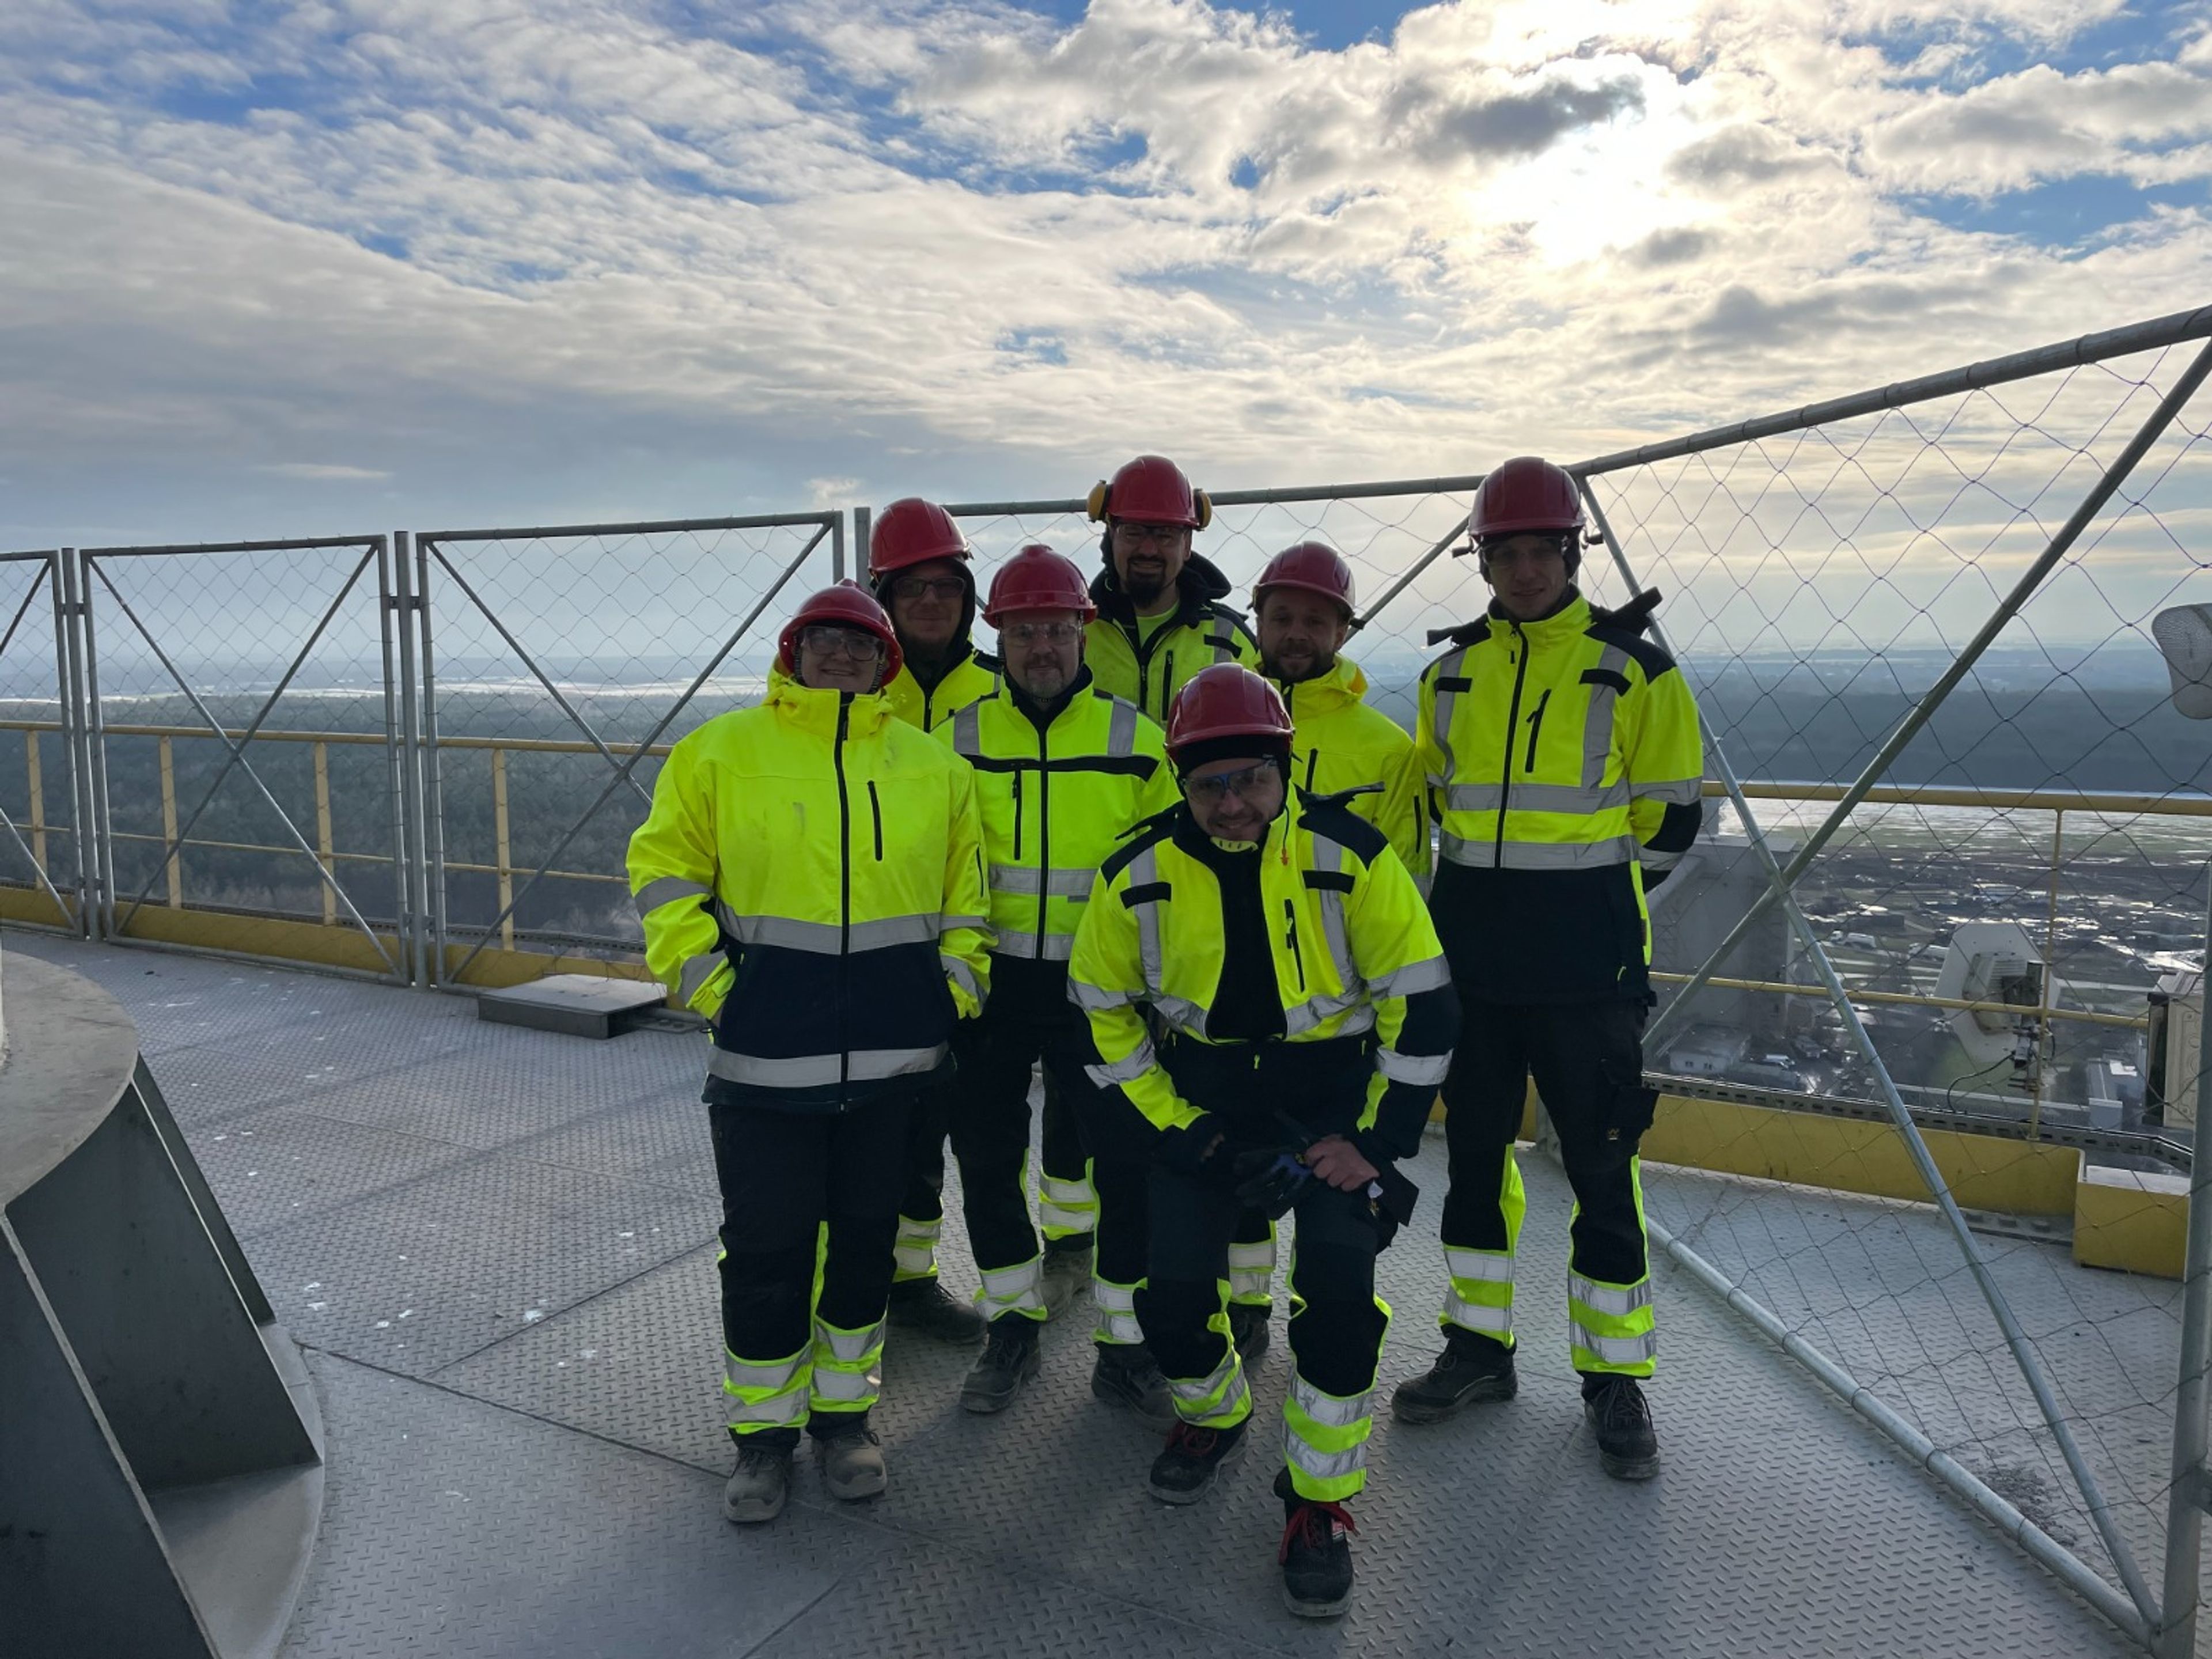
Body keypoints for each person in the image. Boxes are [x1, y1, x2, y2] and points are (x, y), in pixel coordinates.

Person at [1067, 664, 1457, 1618]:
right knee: (1169, 1306)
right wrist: (1179, 1125)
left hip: (1328, 1108)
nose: (1232, 804)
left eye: (1251, 780)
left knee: (1334, 1304)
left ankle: (1319, 1504)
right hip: (1204, 1105)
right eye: (1209, 785)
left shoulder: (1352, 857)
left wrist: (1373, 1143)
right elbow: (1099, 1015)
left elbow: (1426, 1008)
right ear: (1181, 785)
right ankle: (1218, 1414)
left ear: (1285, 773)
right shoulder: (1137, 877)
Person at [627, 581, 991, 1525]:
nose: (841, 655)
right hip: (764, 1067)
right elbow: (664, 875)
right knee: (766, 1252)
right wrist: (713, 990)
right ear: (791, 652)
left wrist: (950, 994)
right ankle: (761, 1441)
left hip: (893, 1069)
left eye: (860, 643)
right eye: (823, 639)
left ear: (887, 664)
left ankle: (844, 1421)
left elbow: (968, 904)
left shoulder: (931, 767)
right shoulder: (721, 753)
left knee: (865, 1250)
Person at [1391, 456, 1706, 1483]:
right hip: (1473, 974)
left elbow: (1673, 820)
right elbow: (1432, 815)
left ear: (1573, 552)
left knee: (1603, 1176)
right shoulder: (1449, 678)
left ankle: (1616, 1381)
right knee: (1473, 1173)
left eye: (1542, 550)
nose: (1524, 570)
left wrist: (1593, 906)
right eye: (1506, 552)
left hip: (1587, 977)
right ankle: (1480, 1350)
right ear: (1482, 558)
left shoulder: (1634, 669)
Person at [938, 544, 1181, 1419]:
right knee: (988, 1160)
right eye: (1023, 629)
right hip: (993, 991)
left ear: (1085, 631)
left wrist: (1157, 991)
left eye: (1057, 627)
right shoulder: (951, 745)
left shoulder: (1139, 744)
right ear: (997, 637)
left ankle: (1124, 1346)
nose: (1042, 645)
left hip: (1103, 994)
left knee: (1125, 1166)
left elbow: (1172, 885)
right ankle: (1011, 1328)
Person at [868, 498, 1005, 1344]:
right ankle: (879, 1281)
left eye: (944, 587)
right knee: (889, 1136)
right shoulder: (849, 686)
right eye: (911, 587)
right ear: (882, 595)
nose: (929, 602)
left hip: (977, 947)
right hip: (877, 949)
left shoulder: (998, 689)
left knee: (971, 1135)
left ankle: (914, 1282)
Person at [1252, 541, 1427, 878]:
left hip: (1341, 930)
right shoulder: (1221, 727)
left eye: (1315, 622)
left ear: (1340, 634)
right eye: (1282, 618)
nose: (1296, 634)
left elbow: (1404, 881)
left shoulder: (1389, 751)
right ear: (1260, 625)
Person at [1081, 454, 1259, 724]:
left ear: (1187, 544)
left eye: (1166, 534)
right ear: (1111, 535)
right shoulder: (1073, 634)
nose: (1149, 549)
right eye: (1133, 532)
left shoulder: (1231, 641)